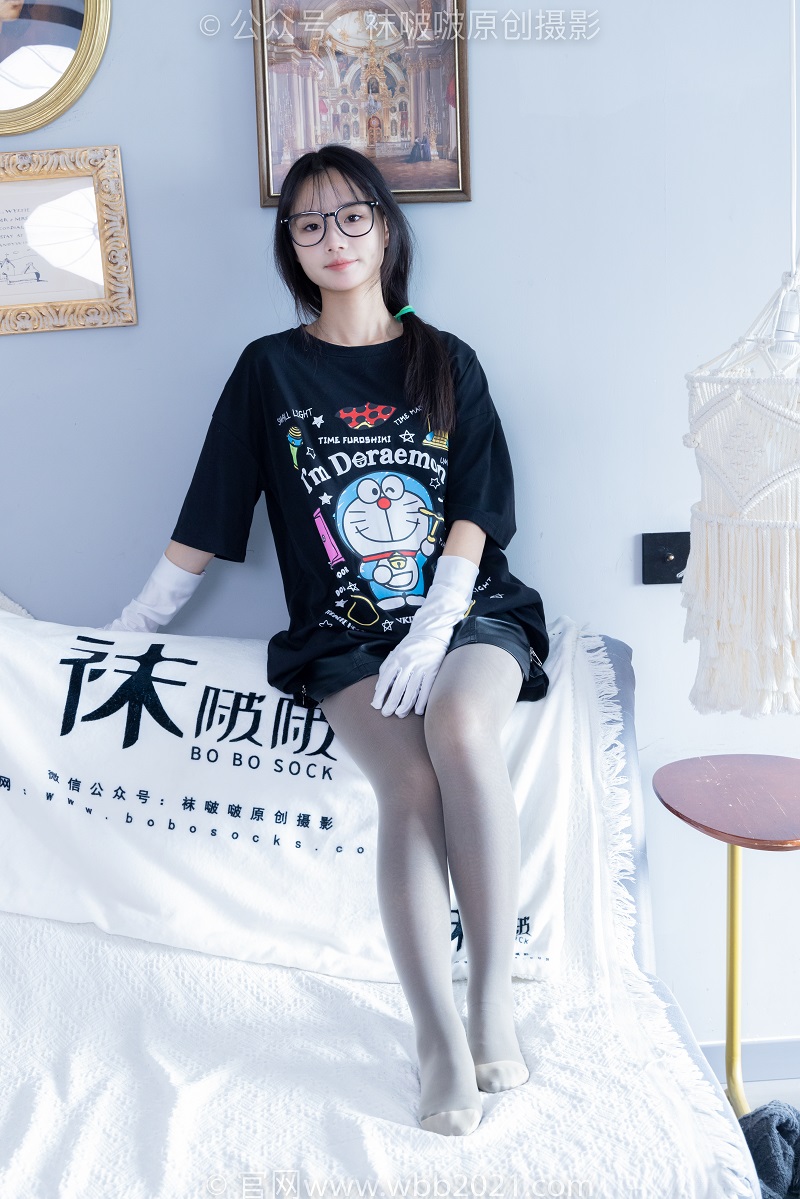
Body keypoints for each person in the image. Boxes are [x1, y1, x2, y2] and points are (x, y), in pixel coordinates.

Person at [102, 144, 550, 1138]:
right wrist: (130, 629)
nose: (332, 238)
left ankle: (489, 1002)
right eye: (308, 224)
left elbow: (479, 506)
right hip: (342, 636)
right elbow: (211, 513)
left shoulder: (446, 358)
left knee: (461, 730)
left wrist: (436, 620)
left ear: (385, 228)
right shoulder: (269, 369)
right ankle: (435, 1034)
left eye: (352, 217)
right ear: (290, 247)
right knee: (409, 782)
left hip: (469, 611)